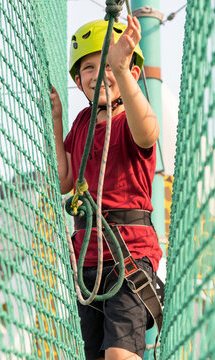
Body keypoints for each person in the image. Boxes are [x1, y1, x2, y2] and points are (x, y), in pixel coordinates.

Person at [50, 15, 163, 360]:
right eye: (89, 67)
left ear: (130, 71)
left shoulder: (131, 115)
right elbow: (65, 181)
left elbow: (148, 133)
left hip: (128, 257)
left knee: (119, 354)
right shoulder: (82, 121)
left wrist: (122, 69)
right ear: (78, 79)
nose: (100, 74)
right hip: (88, 262)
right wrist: (56, 122)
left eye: (109, 65)